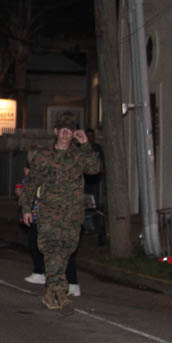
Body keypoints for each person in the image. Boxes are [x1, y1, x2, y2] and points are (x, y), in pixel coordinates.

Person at [19, 112, 100, 313]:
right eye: (62, 130)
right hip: (49, 214)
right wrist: (27, 208)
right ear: (56, 131)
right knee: (52, 251)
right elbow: (31, 184)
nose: (65, 134)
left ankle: (52, 293)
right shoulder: (44, 156)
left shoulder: (79, 155)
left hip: (72, 215)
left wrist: (86, 144)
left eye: (69, 131)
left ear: (73, 133)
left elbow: (94, 169)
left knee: (65, 253)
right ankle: (58, 294)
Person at [18, 164, 79, 295]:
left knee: (63, 251)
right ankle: (56, 282)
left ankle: (71, 284)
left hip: (61, 221)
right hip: (50, 221)